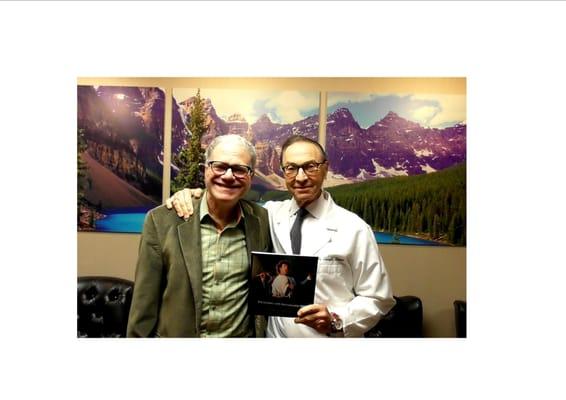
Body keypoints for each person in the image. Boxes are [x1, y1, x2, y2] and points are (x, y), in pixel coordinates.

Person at [167, 135, 395, 337]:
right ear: (283, 171)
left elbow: (379, 298)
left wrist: (337, 319)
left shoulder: (353, 228)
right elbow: (224, 199)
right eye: (291, 168)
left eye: (310, 167)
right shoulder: (269, 214)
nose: (301, 177)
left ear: (325, 169)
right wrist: (191, 195)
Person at [127, 134, 272, 337]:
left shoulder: (263, 219)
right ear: (206, 170)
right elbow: (144, 303)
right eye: (219, 166)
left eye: (239, 169)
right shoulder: (161, 220)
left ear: (251, 178)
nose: (229, 176)